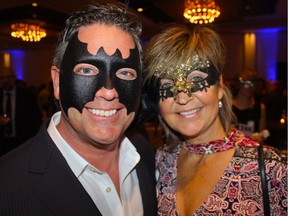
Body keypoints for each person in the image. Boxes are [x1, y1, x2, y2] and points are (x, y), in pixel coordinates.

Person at [0, 3, 157, 216]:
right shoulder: (8, 187)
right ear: (56, 82)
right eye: (87, 70)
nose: (108, 92)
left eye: (126, 73)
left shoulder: (143, 153)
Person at [142, 24, 287, 215]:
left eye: (196, 80)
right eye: (168, 86)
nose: (183, 98)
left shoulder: (273, 169)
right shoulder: (162, 160)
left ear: (219, 86)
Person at [0, 66, 41, 156]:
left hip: (22, 141)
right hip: (2, 142)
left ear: (14, 78)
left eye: (9, 77)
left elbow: (36, 118)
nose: (6, 80)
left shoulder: (27, 95)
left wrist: (29, 137)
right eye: (3, 78)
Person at [231, 69, 268, 142]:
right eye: (247, 83)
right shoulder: (228, 106)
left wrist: (260, 138)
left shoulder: (260, 107)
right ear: (238, 84)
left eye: (253, 84)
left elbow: (263, 134)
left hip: (252, 150)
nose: (251, 87)